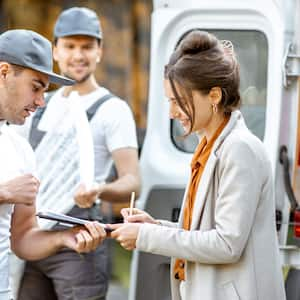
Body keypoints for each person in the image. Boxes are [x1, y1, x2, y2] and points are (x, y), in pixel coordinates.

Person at [110, 30, 286, 300]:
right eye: (169, 101)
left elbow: (226, 244)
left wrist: (145, 236)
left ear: (214, 96)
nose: (172, 112)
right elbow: (202, 232)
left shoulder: (239, 149)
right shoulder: (209, 145)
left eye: (178, 101)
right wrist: (154, 226)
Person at [18, 7, 140, 300]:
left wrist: (100, 189)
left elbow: (133, 180)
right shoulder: (38, 104)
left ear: (99, 51)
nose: (78, 55)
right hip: (33, 235)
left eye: (87, 47)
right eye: (70, 46)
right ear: (56, 51)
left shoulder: (113, 109)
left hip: (81, 241)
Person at [0, 29, 106, 300]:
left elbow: (23, 238)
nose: (40, 101)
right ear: (3, 72)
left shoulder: (20, 150)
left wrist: (64, 239)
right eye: (35, 87)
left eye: (45, 91)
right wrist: (3, 193)